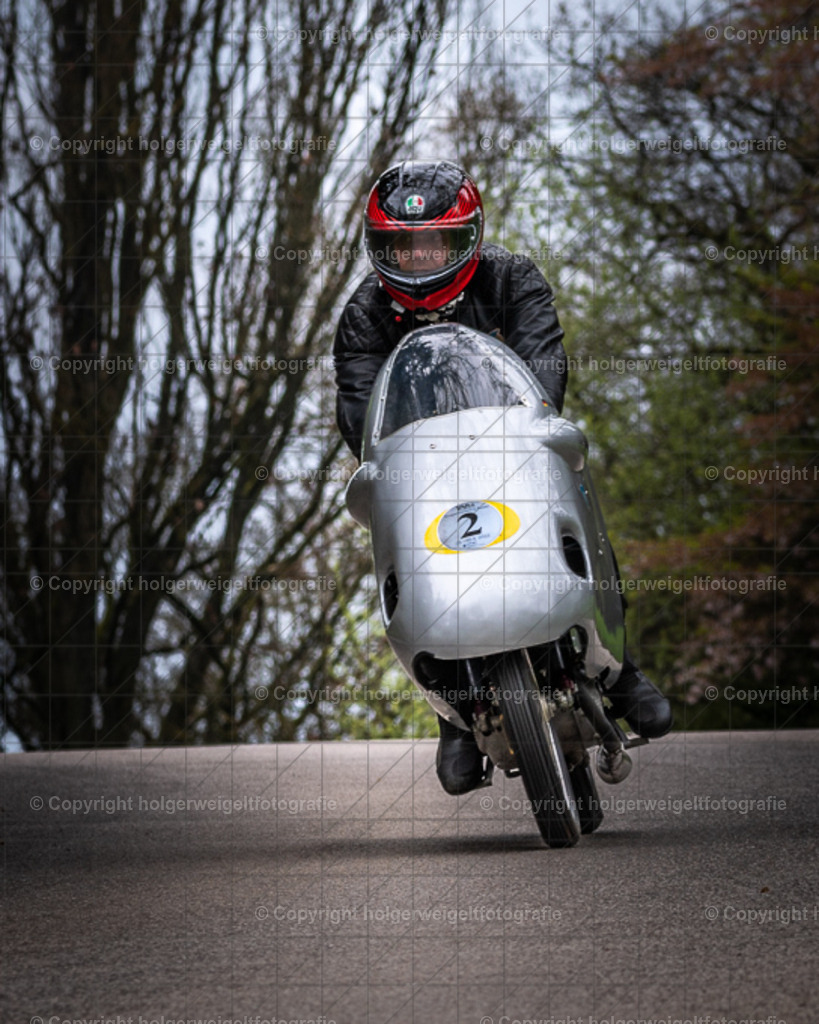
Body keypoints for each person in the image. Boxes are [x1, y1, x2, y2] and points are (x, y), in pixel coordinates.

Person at [333, 160, 672, 796]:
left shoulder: (512, 277)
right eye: (400, 248)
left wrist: (533, 422)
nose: (416, 260)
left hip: (513, 448)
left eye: (432, 243)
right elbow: (361, 412)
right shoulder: (362, 315)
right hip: (426, 474)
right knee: (404, 549)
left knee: (577, 491)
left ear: (467, 238)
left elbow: (545, 363)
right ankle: (456, 715)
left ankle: (621, 671)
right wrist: (384, 465)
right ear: (378, 249)